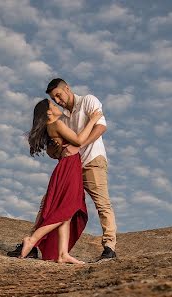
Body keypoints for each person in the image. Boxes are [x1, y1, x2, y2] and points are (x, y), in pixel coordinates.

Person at [18, 99, 104, 264]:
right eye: (54, 105)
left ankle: (62, 254)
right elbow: (78, 141)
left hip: (68, 166)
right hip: (68, 167)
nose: (57, 107)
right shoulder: (55, 123)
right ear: (48, 112)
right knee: (69, 207)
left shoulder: (52, 126)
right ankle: (32, 239)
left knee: (67, 210)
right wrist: (93, 120)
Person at [45, 78, 118, 261]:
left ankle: (109, 247)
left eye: (59, 95)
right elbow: (60, 148)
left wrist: (80, 145)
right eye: (55, 99)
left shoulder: (88, 100)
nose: (58, 101)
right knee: (50, 202)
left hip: (93, 160)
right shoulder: (61, 118)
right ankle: (31, 243)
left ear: (67, 88)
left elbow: (101, 126)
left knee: (102, 203)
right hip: (72, 167)